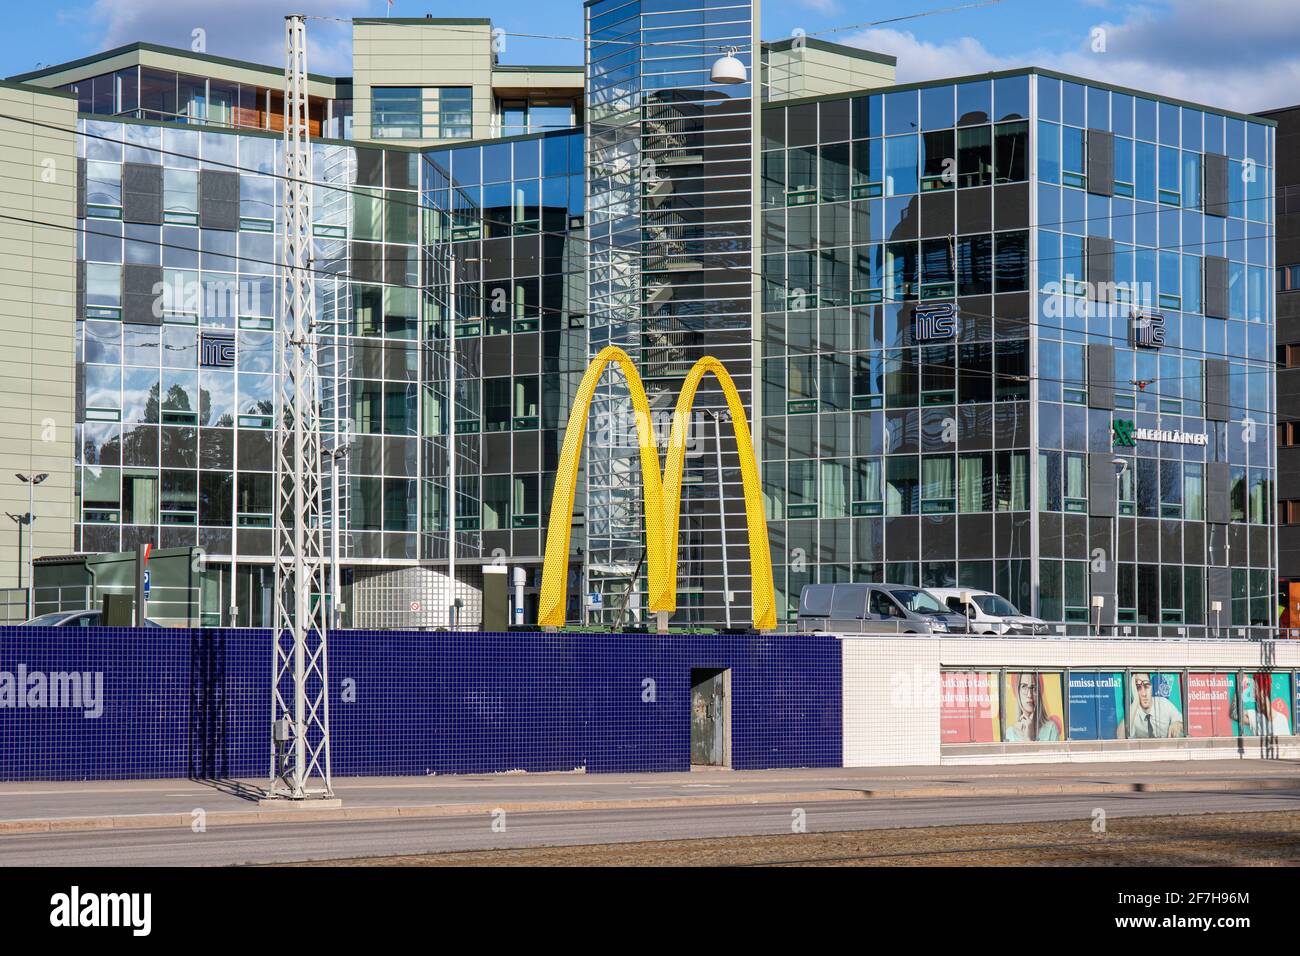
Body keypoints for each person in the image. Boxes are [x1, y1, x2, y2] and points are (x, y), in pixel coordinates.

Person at [1004, 672, 1061, 742]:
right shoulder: (1010, 733)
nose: (1029, 695)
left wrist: (1029, 739)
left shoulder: (1051, 728)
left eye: (1033, 688)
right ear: (1018, 692)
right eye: (1024, 687)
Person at [1127, 672, 1184, 738]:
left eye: (1147, 686)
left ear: (1151, 687)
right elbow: (1120, 736)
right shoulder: (1133, 711)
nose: (1144, 694)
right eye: (1138, 688)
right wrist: (1135, 701)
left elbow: (1183, 724)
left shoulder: (1163, 703)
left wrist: (1177, 724)